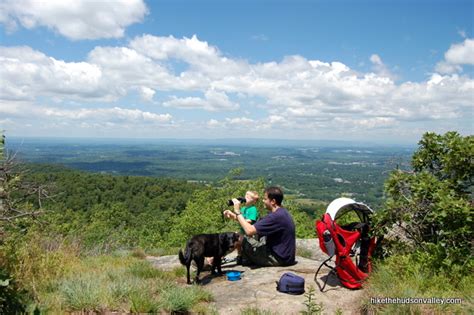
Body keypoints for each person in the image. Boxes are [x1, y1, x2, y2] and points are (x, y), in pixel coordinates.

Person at [231, 186, 296, 267]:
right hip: (286, 256)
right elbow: (255, 228)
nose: (263, 201)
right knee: (253, 237)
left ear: (273, 201)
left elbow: (249, 230)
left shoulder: (275, 217)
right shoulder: (282, 212)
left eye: (265, 199)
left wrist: (237, 212)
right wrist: (235, 217)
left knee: (239, 238)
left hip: (278, 258)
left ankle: (215, 260)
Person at [222, 190, 260, 261]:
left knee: (235, 241)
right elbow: (239, 218)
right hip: (243, 232)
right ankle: (240, 255)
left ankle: (219, 257)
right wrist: (230, 214)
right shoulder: (243, 208)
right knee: (233, 238)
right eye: (246, 195)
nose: (246, 197)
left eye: (249, 197)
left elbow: (249, 221)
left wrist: (236, 215)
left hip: (250, 235)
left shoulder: (253, 209)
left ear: (254, 201)